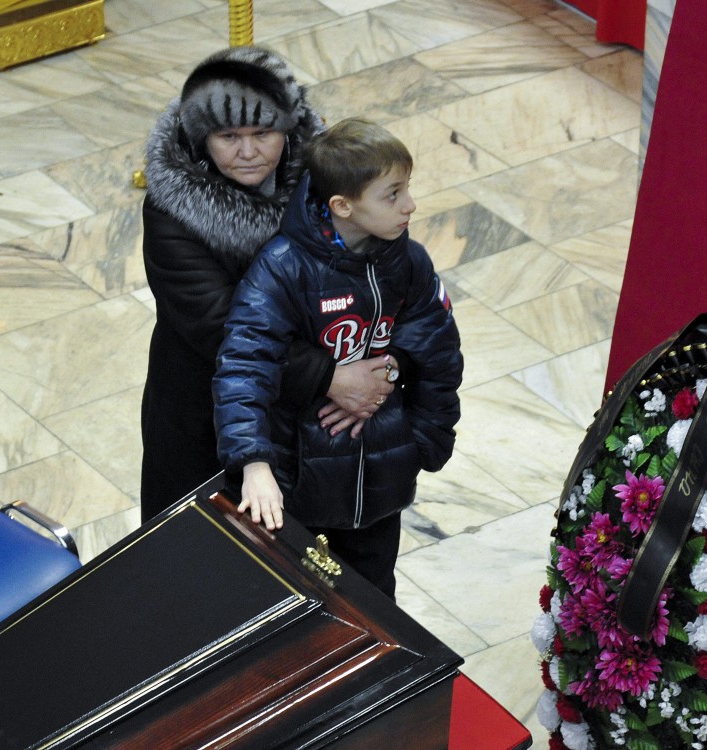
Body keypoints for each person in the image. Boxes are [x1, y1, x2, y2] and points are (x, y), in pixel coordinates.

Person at [140, 48, 395, 524]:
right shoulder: (171, 212)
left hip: (323, 421)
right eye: (228, 136)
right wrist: (329, 376)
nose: (248, 151)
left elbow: (392, 279)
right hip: (209, 413)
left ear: (289, 128)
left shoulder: (331, 184)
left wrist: (389, 368)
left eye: (263, 133)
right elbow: (218, 326)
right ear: (201, 138)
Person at [212, 118, 464, 599]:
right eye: (392, 195)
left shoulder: (407, 260)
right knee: (295, 609)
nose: (409, 205)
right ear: (343, 206)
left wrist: (423, 438)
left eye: (407, 189)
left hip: (381, 483)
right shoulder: (283, 268)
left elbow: (437, 345)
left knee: (374, 603)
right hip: (299, 488)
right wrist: (255, 464)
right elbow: (244, 368)